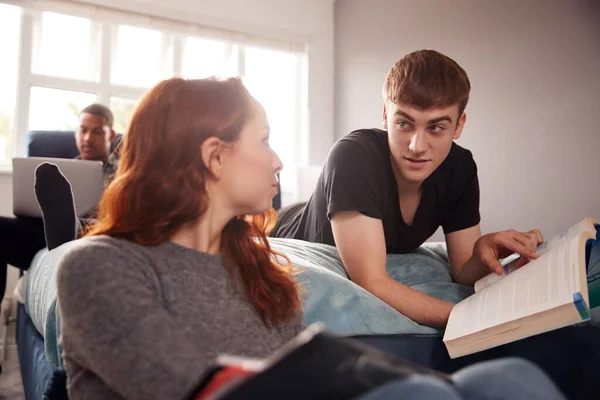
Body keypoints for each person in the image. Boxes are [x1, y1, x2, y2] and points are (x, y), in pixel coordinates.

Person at [51, 76, 567, 400]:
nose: (278, 160)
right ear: (215, 156)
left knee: (507, 378)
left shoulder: (257, 266)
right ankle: (62, 226)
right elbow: (192, 387)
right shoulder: (99, 268)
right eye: (266, 140)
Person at [273, 49, 544, 327]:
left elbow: (462, 271)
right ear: (385, 116)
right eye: (404, 123)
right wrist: (475, 320)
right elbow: (372, 282)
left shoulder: (460, 168)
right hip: (280, 225)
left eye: (436, 128)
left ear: (459, 125)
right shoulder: (353, 156)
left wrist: (483, 251)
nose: (416, 146)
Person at [0, 104, 118, 311]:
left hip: (94, 234)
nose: (88, 138)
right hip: (45, 234)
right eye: (83, 130)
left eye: (97, 132)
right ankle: (59, 226)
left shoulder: (123, 174)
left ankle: (66, 229)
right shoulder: (61, 171)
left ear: (111, 135)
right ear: (76, 133)